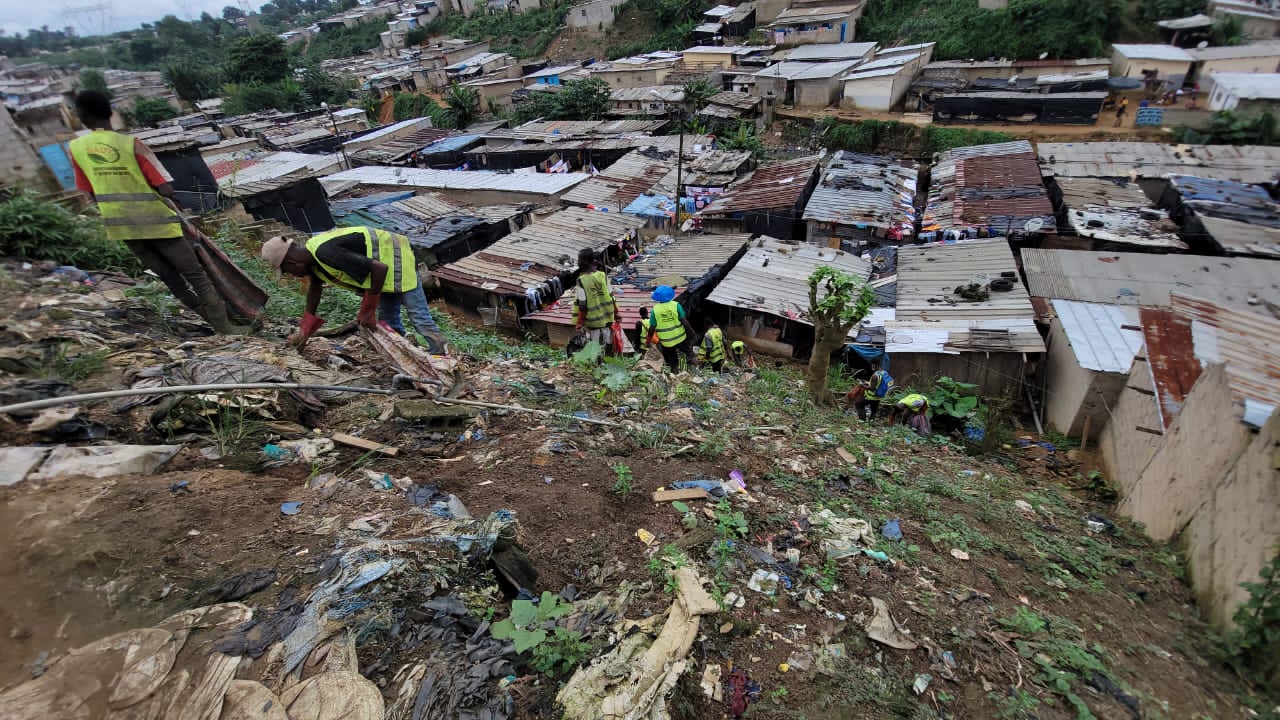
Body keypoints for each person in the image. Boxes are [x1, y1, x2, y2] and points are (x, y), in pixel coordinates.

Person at [68, 90, 243, 334]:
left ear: (82, 117)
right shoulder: (131, 145)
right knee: (197, 275)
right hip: (156, 220)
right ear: (110, 113)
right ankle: (225, 327)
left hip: (122, 225)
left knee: (171, 279)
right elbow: (164, 187)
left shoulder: (76, 148)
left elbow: (89, 192)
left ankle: (208, 322)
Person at [260, 228, 446, 353]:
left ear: (292, 262)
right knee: (388, 320)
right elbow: (315, 289)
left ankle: (441, 354)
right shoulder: (314, 262)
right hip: (380, 276)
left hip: (398, 260)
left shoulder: (325, 252)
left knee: (418, 315)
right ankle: (403, 353)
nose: (292, 275)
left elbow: (379, 268)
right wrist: (306, 325)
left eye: (287, 271)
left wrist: (368, 309)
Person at [574, 248, 620, 355]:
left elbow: (583, 305)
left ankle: (598, 365)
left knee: (595, 350)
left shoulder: (581, 281)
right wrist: (617, 313)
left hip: (593, 322)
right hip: (608, 318)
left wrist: (579, 322)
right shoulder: (602, 275)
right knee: (608, 346)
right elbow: (611, 296)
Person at [650, 285, 696, 372]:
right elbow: (684, 321)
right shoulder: (676, 305)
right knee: (689, 353)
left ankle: (675, 374)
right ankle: (693, 370)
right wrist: (691, 333)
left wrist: (648, 340)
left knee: (672, 360)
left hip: (667, 342)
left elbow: (652, 328)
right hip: (680, 337)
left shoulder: (655, 310)